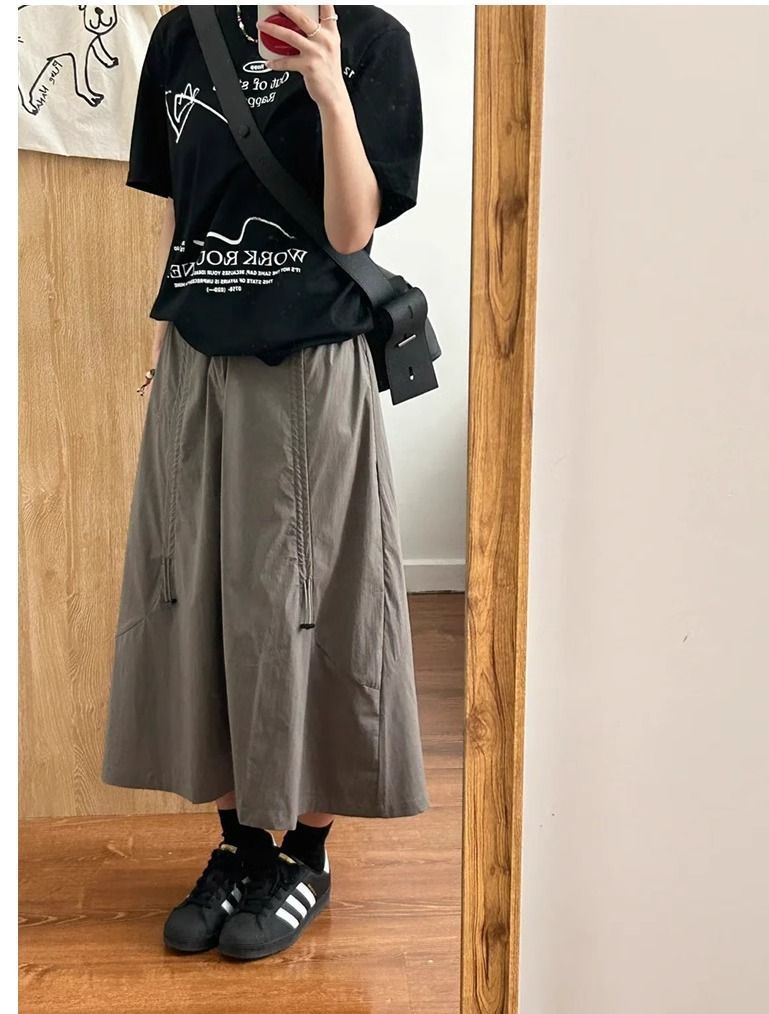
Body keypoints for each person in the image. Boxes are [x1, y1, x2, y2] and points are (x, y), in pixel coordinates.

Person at [101, 4, 430, 962]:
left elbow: (350, 227)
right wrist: (169, 333)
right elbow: (184, 212)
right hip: (198, 362)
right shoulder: (181, 37)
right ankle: (241, 847)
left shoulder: (373, 42)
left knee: (314, 601)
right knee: (199, 598)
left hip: (311, 368)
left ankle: (307, 856)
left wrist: (328, 89)